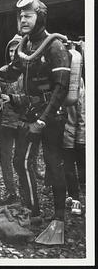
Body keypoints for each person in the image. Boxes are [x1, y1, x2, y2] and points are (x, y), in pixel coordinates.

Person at [0, 0, 71, 242]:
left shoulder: (54, 46)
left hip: (52, 114)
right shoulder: (25, 45)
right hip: (32, 112)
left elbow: (61, 88)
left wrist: (42, 121)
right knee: (21, 161)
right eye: (21, 16)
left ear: (40, 17)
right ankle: (34, 212)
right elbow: (13, 72)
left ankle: (59, 221)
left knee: (53, 164)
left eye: (28, 15)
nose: (23, 20)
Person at [0, 34, 22, 204]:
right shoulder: (3, 70)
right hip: (6, 121)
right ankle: (11, 192)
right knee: (5, 157)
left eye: (17, 49)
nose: (13, 52)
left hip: (23, 121)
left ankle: (27, 193)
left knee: (21, 160)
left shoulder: (29, 71)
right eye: (11, 49)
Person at [63, 77, 85, 215]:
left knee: (81, 170)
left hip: (75, 133)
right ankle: (75, 199)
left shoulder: (76, 79)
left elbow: (82, 109)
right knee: (68, 169)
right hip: (64, 133)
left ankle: (82, 200)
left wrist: (81, 136)